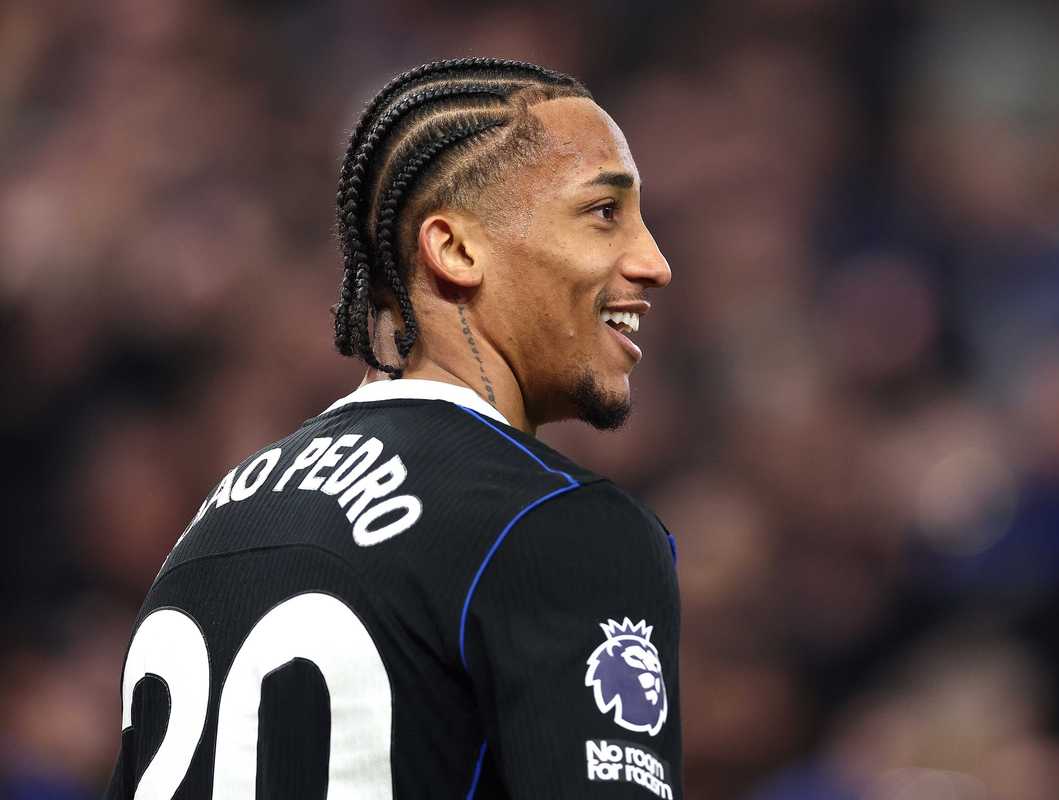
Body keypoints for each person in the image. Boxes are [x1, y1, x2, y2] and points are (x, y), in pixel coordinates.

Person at [105, 58, 680, 799]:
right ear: (457, 249)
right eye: (605, 213)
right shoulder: (557, 525)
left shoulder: (210, 533)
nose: (654, 262)